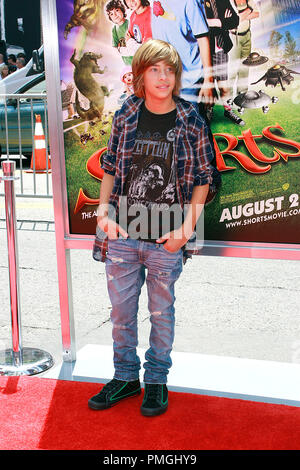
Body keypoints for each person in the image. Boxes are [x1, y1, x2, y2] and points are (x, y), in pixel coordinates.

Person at [89, 39, 217, 417]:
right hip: (124, 235)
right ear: (141, 74)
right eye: (155, 69)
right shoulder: (126, 113)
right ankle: (126, 378)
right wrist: (103, 213)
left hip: (166, 240)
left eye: (170, 70)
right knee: (121, 314)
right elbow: (110, 166)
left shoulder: (191, 119)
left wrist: (183, 232)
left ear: (177, 77)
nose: (163, 77)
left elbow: (204, 179)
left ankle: (157, 382)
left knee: (162, 314)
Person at [151, 0, 215, 115]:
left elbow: (203, 39)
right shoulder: (154, 2)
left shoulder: (189, 2)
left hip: (190, 81)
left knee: (195, 127)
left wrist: (208, 80)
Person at [204, 0, 244, 125]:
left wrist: (217, 22)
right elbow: (198, 23)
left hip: (220, 48)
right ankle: (208, 110)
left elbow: (235, 20)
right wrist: (222, 22)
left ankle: (228, 110)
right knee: (207, 86)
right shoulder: (197, 2)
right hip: (204, 49)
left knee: (224, 87)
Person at [228, 0, 260, 95]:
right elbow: (230, 21)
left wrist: (241, 17)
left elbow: (257, 14)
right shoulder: (228, 1)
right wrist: (249, 10)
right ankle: (227, 100)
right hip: (234, 37)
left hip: (247, 35)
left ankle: (242, 95)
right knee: (232, 70)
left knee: (245, 68)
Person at [106, 0, 134, 65]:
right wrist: (120, 50)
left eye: (117, 10)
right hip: (127, 63)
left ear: (122, 10)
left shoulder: (130, 23)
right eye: (111, 14)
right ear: (110, 17)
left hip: (138, 59)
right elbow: (115, 47)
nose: (115, 15)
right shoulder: (114, 29)